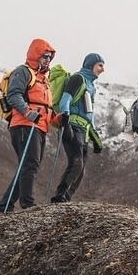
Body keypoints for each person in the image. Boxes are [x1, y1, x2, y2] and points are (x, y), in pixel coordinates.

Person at [0, 39, 56, 212]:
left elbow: (46, 108)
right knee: (30, 163)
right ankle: (27, 203)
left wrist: (58, 119)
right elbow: (14, 95)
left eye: (49, 57)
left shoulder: (44, 80)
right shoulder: (23, 72)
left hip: (39, 126)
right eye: (44, 56)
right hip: (24, 124)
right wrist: (28, 112)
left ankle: (4, 206)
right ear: (36, 54)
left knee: (27, 165)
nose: (47, 60)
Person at [51, 53, 105, 203]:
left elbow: (90, 114)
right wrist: (65, 121)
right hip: (72, 126)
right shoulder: (78, 78)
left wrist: (95, 138)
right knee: (77, 162)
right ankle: (59, 195)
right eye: (100, 65)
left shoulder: (91, 86)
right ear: (90, 65)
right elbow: (65, 99)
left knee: (81, 170)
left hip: (84, 130)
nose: (102, 69)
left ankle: (65, 198)